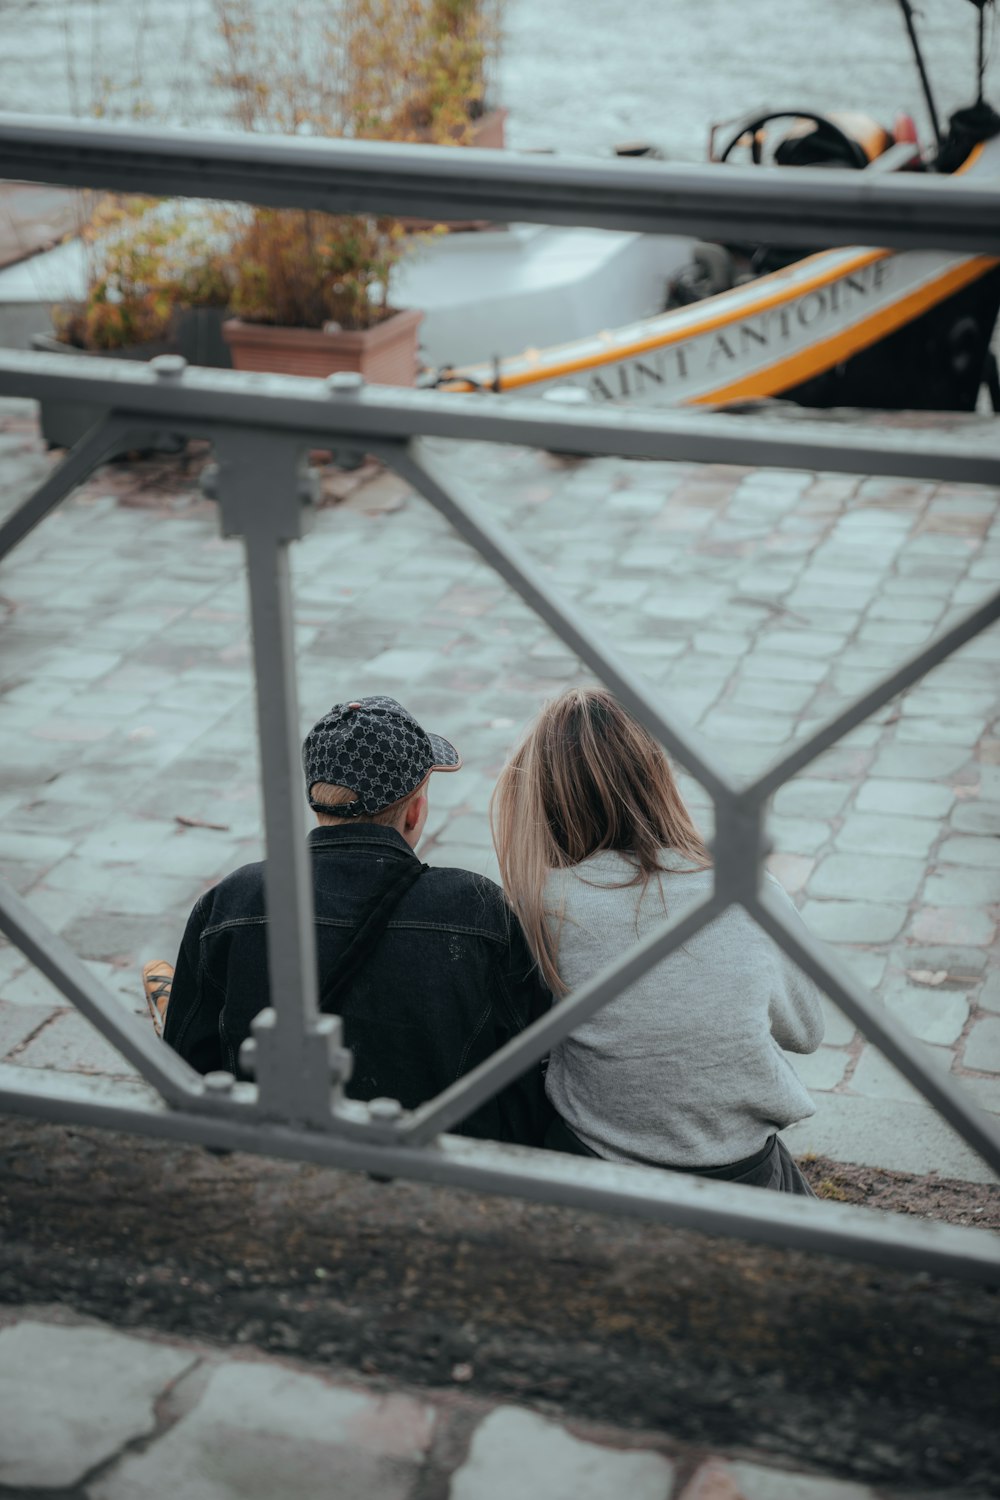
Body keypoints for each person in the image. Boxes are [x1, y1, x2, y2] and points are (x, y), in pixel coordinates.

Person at [156, 695, 553, 1146]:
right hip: (437, 1170)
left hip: (269, 1154)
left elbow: (186, 1068)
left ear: (317, 798)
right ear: (415, 809)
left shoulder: (230, 901)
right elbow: (528, 1077)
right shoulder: (477, 908)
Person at [490, 687, 825, 1192]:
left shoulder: (538, 904)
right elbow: (805, 1032)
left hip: (593, 1165)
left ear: (543, 798)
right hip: (740, 1170)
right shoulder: (747, 890)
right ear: (657, 778)